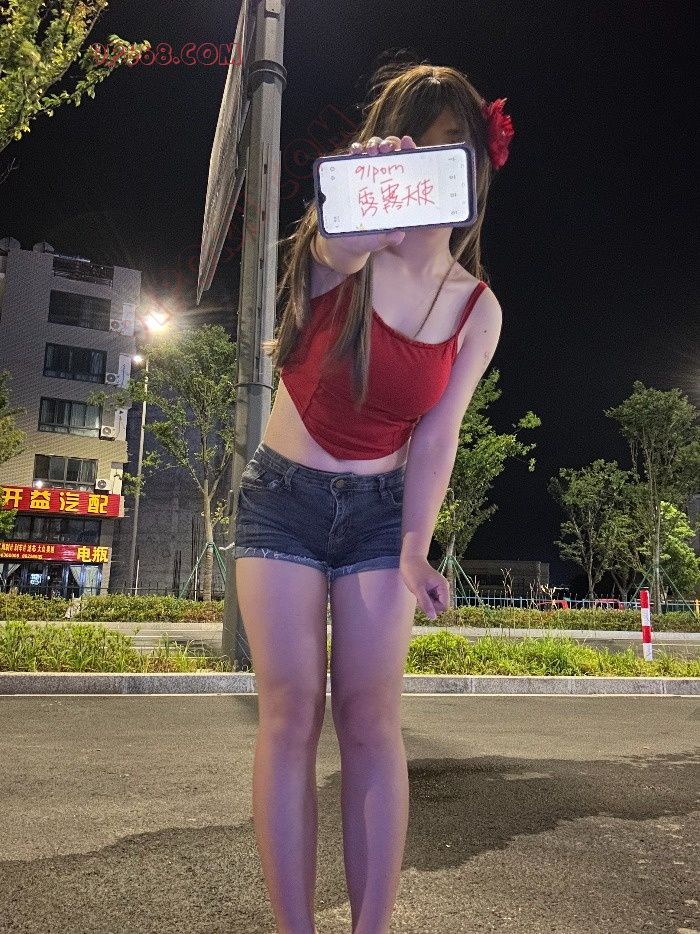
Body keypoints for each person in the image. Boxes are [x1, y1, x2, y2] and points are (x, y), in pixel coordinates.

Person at [233, 56, 512, 934]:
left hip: (380, 515)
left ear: (477, 169)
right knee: (290, 714)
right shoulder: (348, 247)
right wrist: (359, 202)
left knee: (370, 721)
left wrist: (416, 549)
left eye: (455, 151)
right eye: (420, 148)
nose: (438, 170)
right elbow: (326, 253)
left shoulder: (477, 309)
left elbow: (437, 434)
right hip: (282, 500)